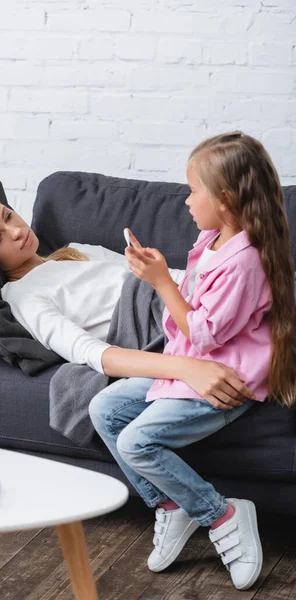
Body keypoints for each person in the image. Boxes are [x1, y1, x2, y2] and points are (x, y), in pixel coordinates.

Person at [88, 131, 296, 590]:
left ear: (223, 199)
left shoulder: (245, 261)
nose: (186, 201)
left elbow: (203, 333)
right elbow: (189, 321)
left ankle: (219, 513)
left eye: (192, 190)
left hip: (222, 380)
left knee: (136, 443)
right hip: (185, 370)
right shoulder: (212, 239)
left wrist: (161, 281)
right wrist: (164, 279)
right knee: (103, 409)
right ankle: (169, 505)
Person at [0, 188, 256, 408]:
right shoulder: (23, 296)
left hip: (185, 299)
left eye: (8, 216)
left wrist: (204, 277)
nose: (16, 231)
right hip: (156, 327)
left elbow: (169, 280)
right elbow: (93, 353)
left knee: (254, 275)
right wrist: (185, 368)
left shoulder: (77, 251)